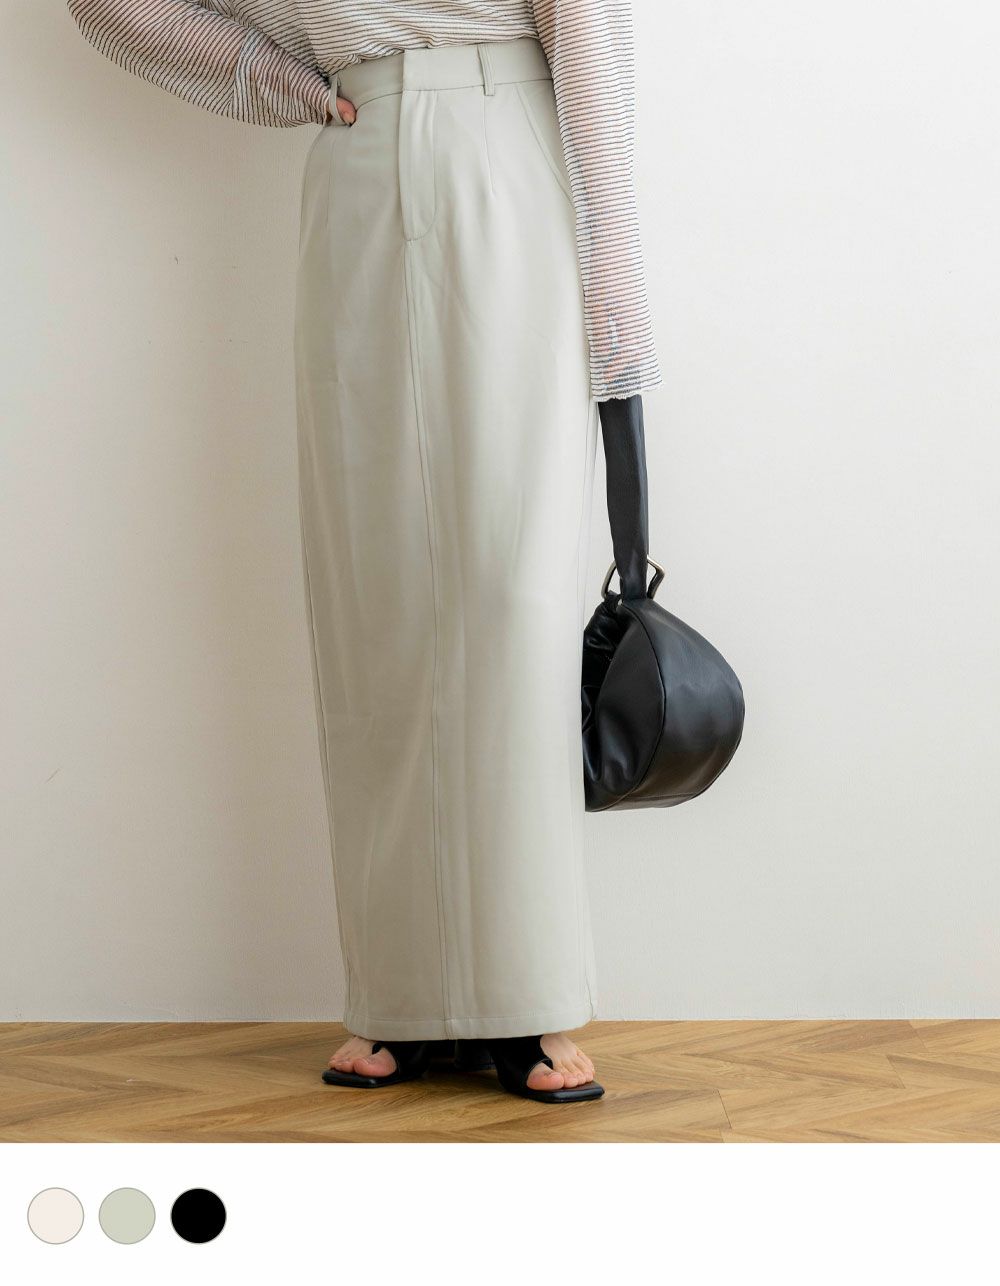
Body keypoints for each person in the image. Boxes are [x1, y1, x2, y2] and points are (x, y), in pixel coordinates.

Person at [66, 0, 662, 1104]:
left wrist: (617, 288)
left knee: (511, 594)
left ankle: (524, 998)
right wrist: (281, 80)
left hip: (507, 140)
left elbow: (585, 31)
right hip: (357, 154)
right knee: (370, 596)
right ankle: (397, 996)